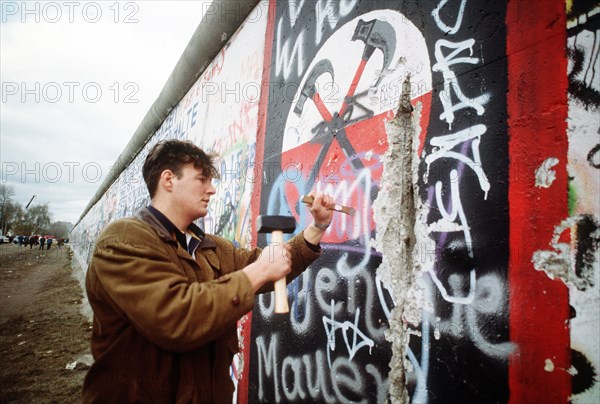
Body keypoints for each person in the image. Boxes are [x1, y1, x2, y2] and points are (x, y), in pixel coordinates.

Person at [82, 139, 335, 403]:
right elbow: (175, 316)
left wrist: (316, 228)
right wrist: (259, 271)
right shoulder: (123, 241)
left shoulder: (210, 247)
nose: (211, 190)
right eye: (202, 179)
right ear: (168, 180)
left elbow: (270, 265)